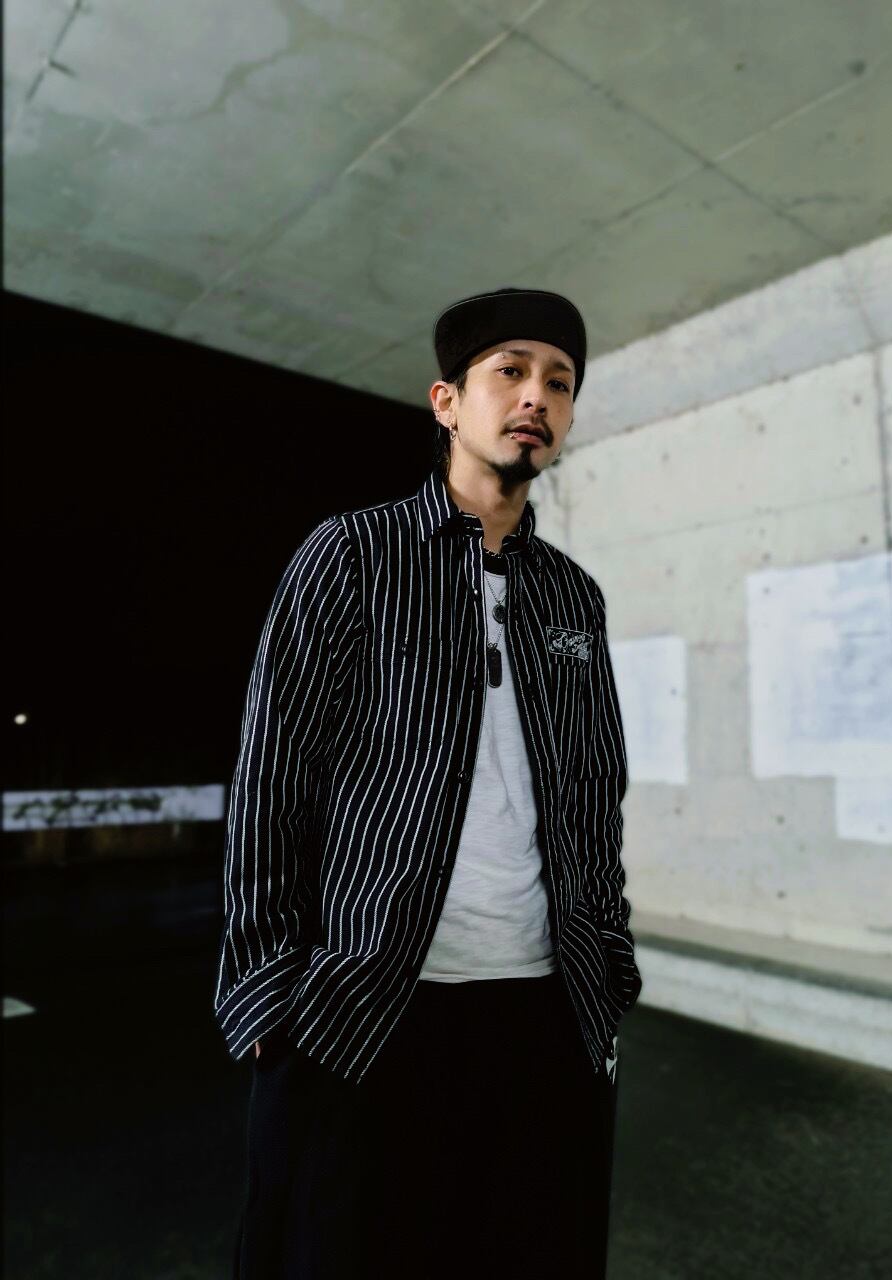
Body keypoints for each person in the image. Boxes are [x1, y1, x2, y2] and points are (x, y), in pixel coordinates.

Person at [215, 286, 644, 1279]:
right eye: (510, 371)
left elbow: (595, 791)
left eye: (560, 382)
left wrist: (610, 964)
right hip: (367, 1012)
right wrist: (267, 993)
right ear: (446, 401)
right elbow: (273, 773)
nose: (536, 396)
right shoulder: (350, 555)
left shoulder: (572, 595)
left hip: (546, 1017)